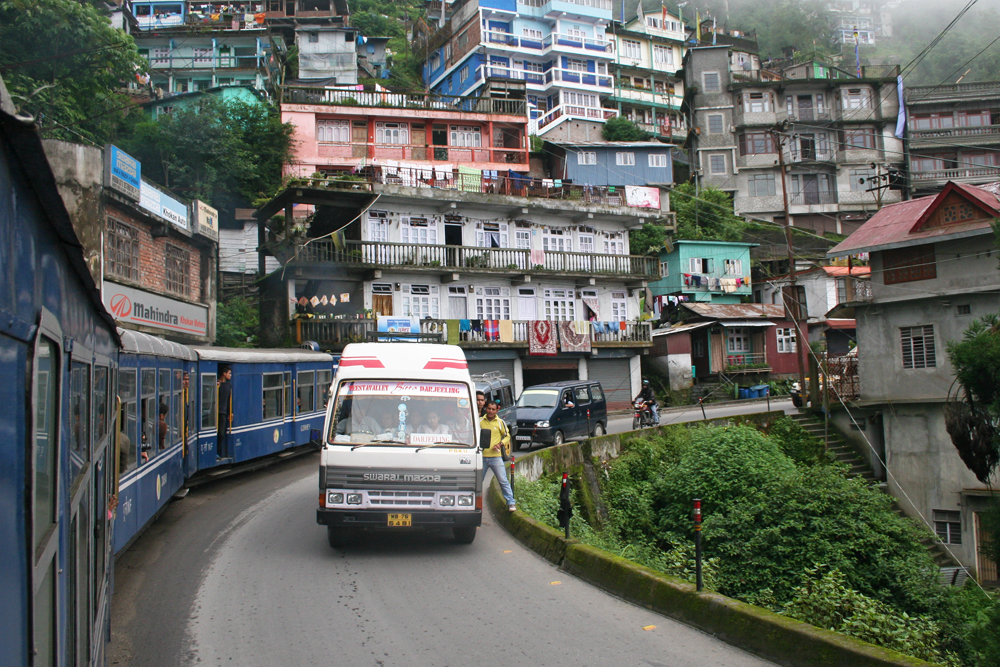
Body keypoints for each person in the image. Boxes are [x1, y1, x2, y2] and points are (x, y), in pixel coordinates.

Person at [480, 401, 515, 512]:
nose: (490, 411)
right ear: (486, 409)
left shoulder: (500, 423)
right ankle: (473, 503)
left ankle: (510, 503)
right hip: (481, 457)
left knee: (503, 480)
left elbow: (507, 436)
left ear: (497, 410)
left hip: (496, 457)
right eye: (489, 408)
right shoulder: (479, 421)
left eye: (493, 409)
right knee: (477, 481)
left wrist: (500, 444)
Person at [217, 365, 233, 459]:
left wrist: (230, 412)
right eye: (229, 373)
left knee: (221, 434)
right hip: (215, 412)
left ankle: (219, 451)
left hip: (223, 412)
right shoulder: (217, 384)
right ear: (224, 373)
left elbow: (229, 400)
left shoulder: (228, 385)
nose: (230, 375)